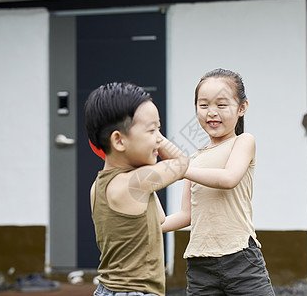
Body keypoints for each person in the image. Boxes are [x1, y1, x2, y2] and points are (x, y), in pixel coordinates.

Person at [162, 68, 275, 296]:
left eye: (221, 105)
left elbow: (228, 179)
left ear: (242, 108)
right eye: (203, 105)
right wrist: (146, 226)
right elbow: (186, 215)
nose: (211, 112)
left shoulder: (243, 142)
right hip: (200, 265)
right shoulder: (194, 160)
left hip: (241, 259)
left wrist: (182, 169)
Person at [84, 82, 189, 296]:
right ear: (119, 141)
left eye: (159, 130)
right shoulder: (135, 183)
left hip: (108, 289)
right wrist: (159, 142)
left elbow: (158, 220)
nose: (158, 138)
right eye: (152, 130)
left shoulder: (100, 185)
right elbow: (181, 163)